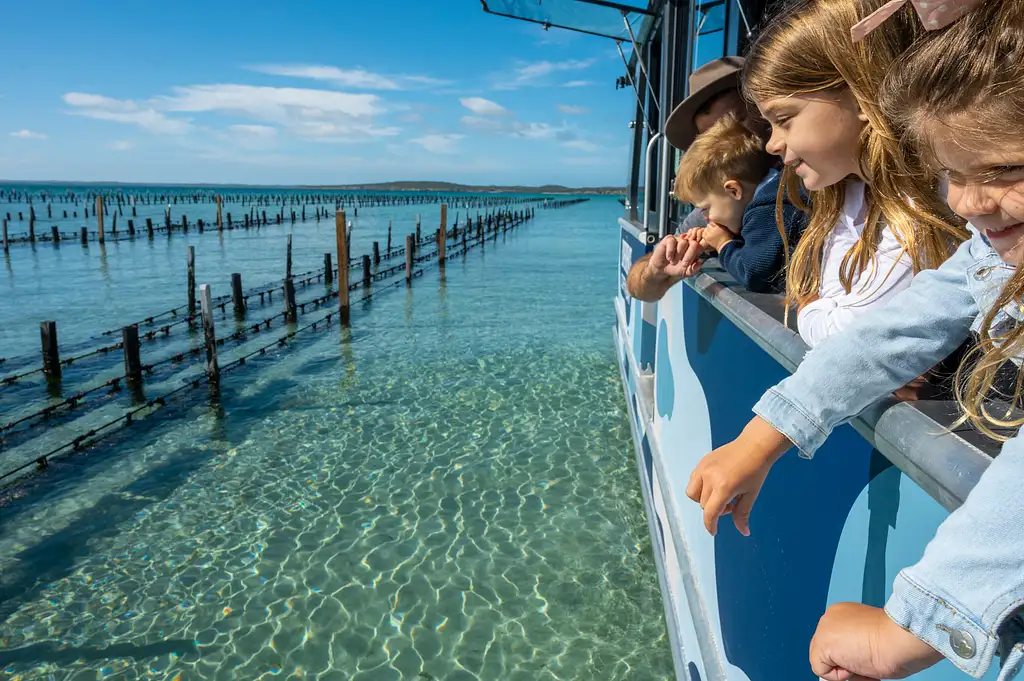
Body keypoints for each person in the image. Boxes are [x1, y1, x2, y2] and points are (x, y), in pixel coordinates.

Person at [685, 1, 1024, 678]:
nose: (964, 202)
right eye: (952, 172)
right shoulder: (989, 248)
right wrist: (764, 437)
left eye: (1004, 169)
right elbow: (893, 331)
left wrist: (912, 625)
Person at [626, 57, 759, 302]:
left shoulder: (811, 181)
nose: (732, 140)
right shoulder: (713, 210)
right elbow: (641, 289)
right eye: (713, 138)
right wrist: (658, 268)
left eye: (739, 123)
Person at [671, 113, 807, 292]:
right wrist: (712, 245)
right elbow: (763, 246)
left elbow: (754, 273)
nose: (705, 217)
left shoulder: (768, 208)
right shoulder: (776, 190)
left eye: (705, 208)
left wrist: (724, 245)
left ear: (734, 191)